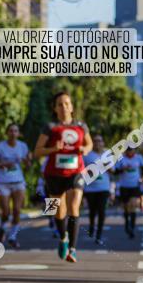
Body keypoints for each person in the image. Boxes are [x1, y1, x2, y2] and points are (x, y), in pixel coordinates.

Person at [33, 91, 92, 263]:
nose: (64, 107)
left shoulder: (81, 126)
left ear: (72, 107)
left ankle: (72, 249)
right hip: (54, 174)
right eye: (60, 104)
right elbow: (37, 151)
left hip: (76, 171)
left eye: (67, 103)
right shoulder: (50, 127)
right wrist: (54, 149)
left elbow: (89, 143)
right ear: (55, 108)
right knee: (59, 212)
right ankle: (63, 238)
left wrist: (85, 150)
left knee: (74, 206)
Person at [0, 123, 31, 247]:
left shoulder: (23, 146)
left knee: (17, 210)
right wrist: (4, 164)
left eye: (15, 131)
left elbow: (28, 165)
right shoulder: (0, 146)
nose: (13, 133)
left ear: (18, 133)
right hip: (3, 182)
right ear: (7, 133)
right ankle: (2, 227)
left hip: (18, 181)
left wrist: (26, 161)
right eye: (11, 131)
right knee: (6, 211)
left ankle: (13, 236)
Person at [83, 134, 113, 246]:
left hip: (104, 188)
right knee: (92, 211)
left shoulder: (107, 155)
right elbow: (81, 170)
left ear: (103, 143)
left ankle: (99, 235)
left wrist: (107, 165)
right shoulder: (87, 155)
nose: (97, 143)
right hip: (90, 188)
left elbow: (113, 171)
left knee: (101, 211)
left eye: (99, 141)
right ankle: (91, 226)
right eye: (95, 141)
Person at [114, 146, 143, 239]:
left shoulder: (139, 157)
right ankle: (126, 223)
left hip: (135, 186)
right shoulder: (121, 158)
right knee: (126, 207)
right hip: (124, 186)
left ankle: (132, 227)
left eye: (132, 150)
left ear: (134, 150)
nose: (130, 152)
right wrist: (122, 169)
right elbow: (115, 171)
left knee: (133, 205)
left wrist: (141, 177)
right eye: (128, 150)